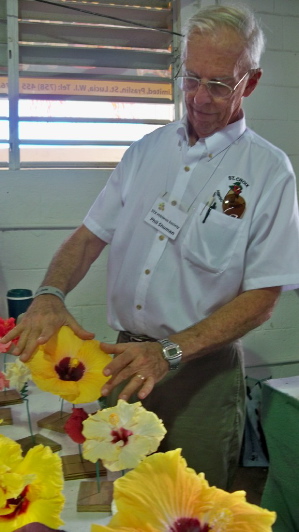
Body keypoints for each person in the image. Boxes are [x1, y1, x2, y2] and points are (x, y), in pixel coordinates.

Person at [3, 3, 299, 490]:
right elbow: (88, 237)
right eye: (191, 78)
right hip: (122, 360)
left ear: (251, 81)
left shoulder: (269, 171)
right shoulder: (146, 150)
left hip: (200, 375)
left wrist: (170, 352)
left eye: (219, 84)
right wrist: (50, 294)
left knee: (192, 501)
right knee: (122, 491)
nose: (200, 98)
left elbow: (263, 299)